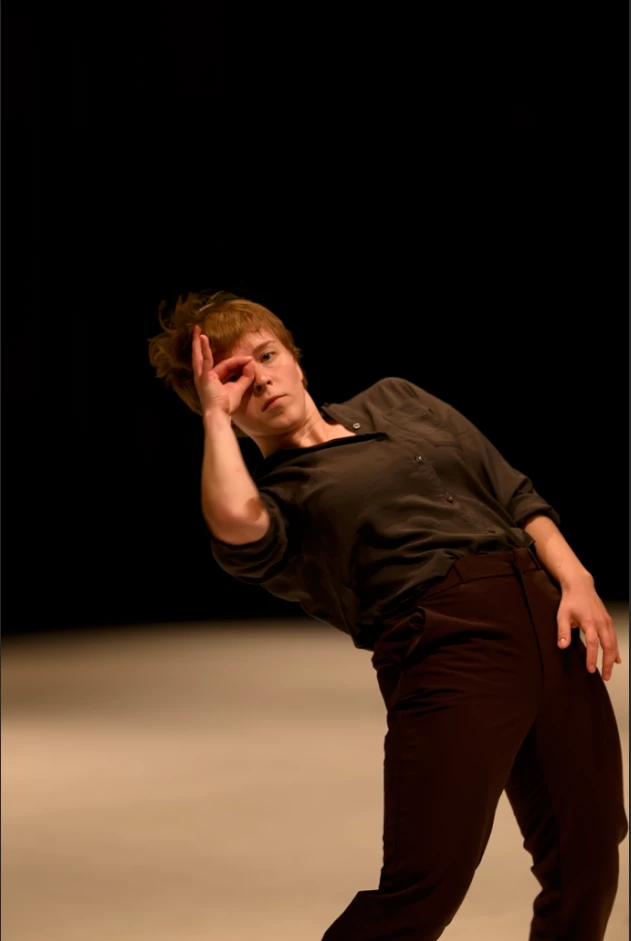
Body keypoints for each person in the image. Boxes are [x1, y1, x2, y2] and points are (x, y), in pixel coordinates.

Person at [148, 290, 628, 941]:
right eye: (233, 375)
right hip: (448, 648)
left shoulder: (396, 398)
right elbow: (235, 524)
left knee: (588, 853)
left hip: (551, 622)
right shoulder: (283, 496)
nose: (258, 378)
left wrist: (575, 577)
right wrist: (212, 415)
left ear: (294, 357)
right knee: (423, 885)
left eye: (266, 355)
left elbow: (509, 489)